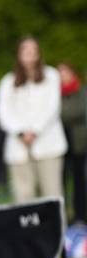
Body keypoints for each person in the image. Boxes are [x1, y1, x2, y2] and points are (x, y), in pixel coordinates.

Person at [0, 36, 67, 203]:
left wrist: (35, 130)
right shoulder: (7, 81)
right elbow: (4, 113)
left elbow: (52, 107)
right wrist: (21, 132)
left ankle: (55, 230)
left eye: (33, 50)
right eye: (25, 50)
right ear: (18, 54)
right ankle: (29, 231)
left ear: (38, 53)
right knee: (24, 198)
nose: (29, 54)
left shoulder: (51, 76)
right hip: (18, 148)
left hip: (48, 145)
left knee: (52, 195)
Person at [58, 62, 87, 222]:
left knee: (79, 182)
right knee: (61, 181)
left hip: (79, 144)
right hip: (62, 144)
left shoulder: (81, 91)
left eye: (65, 72)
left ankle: (80, 215)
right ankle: (65, 215)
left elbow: (78, 111)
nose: (63, 76)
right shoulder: (56, 93)